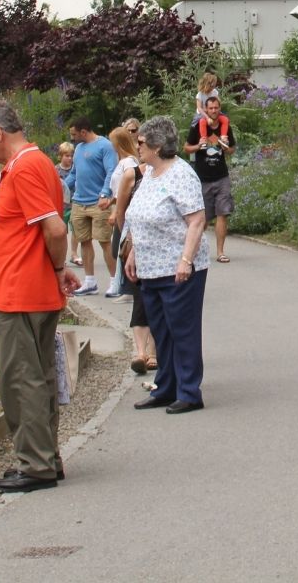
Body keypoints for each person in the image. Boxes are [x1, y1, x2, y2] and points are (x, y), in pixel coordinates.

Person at [0, 98, 72, 493]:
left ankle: (36, 464)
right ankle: (46, 457)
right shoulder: (38, 163)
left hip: (19, 292)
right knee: (39, 377)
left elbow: (56, 229)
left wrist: (59, 267)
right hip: (30, 289)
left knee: (20, 380)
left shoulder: (25, 167)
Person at [122, 116, 210, 414]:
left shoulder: (181, 175)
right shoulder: (149, 173)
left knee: (181, 329)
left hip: (178, 269)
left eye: (142, 142)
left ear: (158, 146)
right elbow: (139, 216)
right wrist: (133, 251)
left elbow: (197, 220)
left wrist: (186, 260)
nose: (138, 146)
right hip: (150, 268)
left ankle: (189, 391)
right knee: (161, 329)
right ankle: (166, 387)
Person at [110, 135, 156, 371]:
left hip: (159, 247)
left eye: (142, 143)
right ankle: (140, 352)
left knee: (157, 298)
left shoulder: (166, 174)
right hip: (134, 243)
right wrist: (126, 240)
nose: (138, 147)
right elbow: (120, 212)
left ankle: (153, 352)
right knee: (140, 297)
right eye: (137, 143)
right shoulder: (133, 175)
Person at [64, 117, 118, 296]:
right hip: (79, 202)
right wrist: (61, 186)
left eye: (74, 134)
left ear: (83, 132)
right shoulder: (78, 149)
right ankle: (90, 281)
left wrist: (105, 193)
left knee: (104, 241)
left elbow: (111, 170)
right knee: (84, 241)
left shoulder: (105, 146)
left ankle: (114, 281)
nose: (72, 138)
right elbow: (74, 174)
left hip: (98, 203)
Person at [186, 96, 237, 264]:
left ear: (219, 108)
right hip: (203, 178)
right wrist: (198, 146)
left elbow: (232, 150)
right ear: (206, 110)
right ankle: (192, 251)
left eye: (216, 108)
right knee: (204, 217)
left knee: (222, 213)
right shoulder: (197, 127)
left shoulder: (225, 125)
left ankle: (220, 252)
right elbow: (186, 148)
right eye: (211, 108)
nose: (214, 111)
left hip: (221, 176)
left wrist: (226, 146)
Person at [102, 127, 141, 299]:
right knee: (117, 249)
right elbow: (118, 189)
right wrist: (110, 201)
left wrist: (117, 211)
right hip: (119, 208)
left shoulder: (129, 163)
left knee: (123, 247)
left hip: (125, 211)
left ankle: (131, 288)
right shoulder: (122, 161)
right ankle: (127, 287)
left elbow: (129, 189)